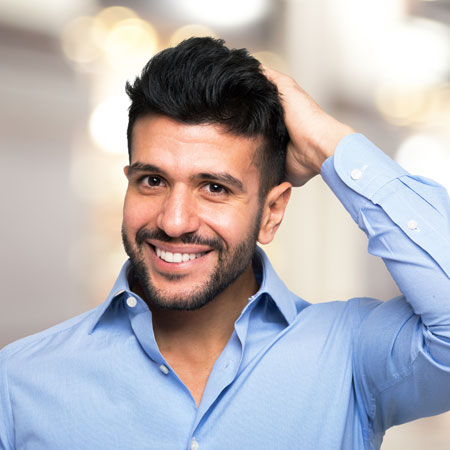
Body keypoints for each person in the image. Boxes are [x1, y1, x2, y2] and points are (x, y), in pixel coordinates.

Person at [1, 37, 450, 450]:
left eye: (214, 187)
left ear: (271, 213)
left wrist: (328, 142)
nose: (174, 222)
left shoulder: (351, 357)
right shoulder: (19, 383)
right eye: (152, 180)